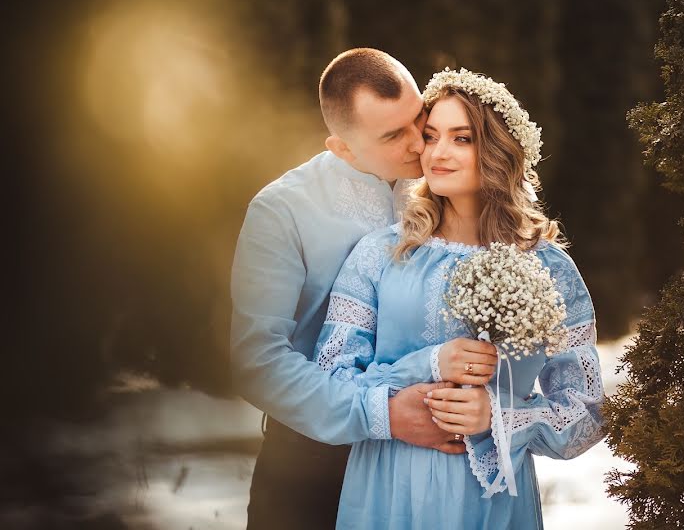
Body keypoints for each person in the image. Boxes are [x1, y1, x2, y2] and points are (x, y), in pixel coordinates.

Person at [314, 68, 607, 529]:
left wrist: (500, 415)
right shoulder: (380, 254)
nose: (438, 153)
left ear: (496, 150)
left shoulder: (547, 268)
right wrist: (428, 365)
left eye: (462, 138)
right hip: (388, 491)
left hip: (489, 502)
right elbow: (328, 383)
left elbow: (585, 415)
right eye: (430, 137)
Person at [230, 50, 496, 529]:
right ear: (343, 149)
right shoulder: (281, 211)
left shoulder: (448, 188)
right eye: (395, 135)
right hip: (312, 463)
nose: (422, 145)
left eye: (419, 119)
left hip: (432, 466)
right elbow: (257, 361)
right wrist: (386, 414)